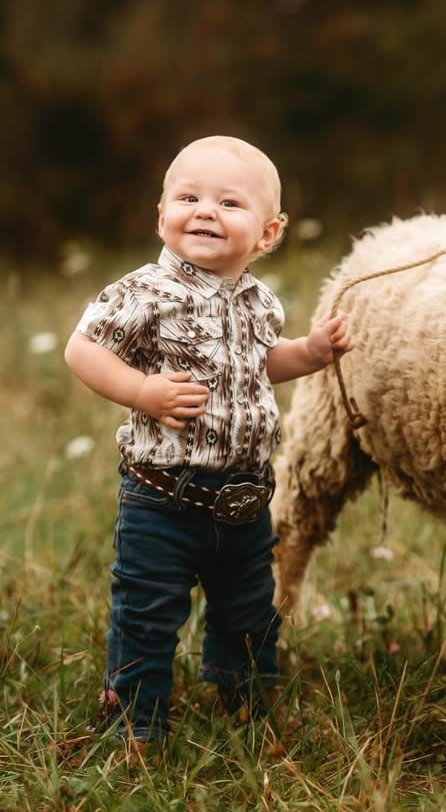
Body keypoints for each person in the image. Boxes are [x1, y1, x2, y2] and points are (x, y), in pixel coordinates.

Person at [64, 135, 353, 743]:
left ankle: (244, 702)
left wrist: (311, 352)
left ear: (269, 234)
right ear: (161, 214)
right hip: (162, 498)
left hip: (245, 501)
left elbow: (261, 364)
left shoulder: (259, 300)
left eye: (229, 203)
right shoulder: (145, 291)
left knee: (249, 613)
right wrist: (143, 392)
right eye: (188, 197)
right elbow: (82, 349)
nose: (205, 212)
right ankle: (135, 722)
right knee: (147, 613)